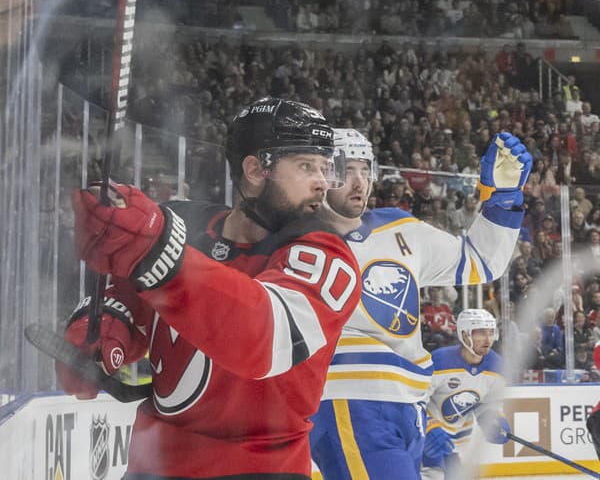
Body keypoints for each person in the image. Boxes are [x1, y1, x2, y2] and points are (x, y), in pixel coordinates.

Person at [56, 97, 362, 480]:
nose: (322, 181)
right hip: (152, 466)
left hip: (258, 470)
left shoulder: (325, 253)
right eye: (305, 166)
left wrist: (155, 252)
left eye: (323, 167)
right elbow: (130, 297)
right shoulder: (180, 224)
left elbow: (261, 336)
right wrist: (100, 334)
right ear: (255, 169)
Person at [310, 128, 531, 480]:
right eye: (345, 170)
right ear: (320, 172)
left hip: (407, 405)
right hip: (348, 398)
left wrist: (503, 198)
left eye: (365, 170)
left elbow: (480, 260)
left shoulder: (401, 230)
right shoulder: (294, 241)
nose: (358, 182)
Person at [420, 310, 510, 480]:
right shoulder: (438, 361)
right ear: (465, 334)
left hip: (460, 443)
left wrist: (493, 420)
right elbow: (416, 401)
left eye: (491, 332)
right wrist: (429, 428)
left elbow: (488, 403)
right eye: (481, 332)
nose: (488, 339)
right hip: (429, 440)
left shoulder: (497, 366)